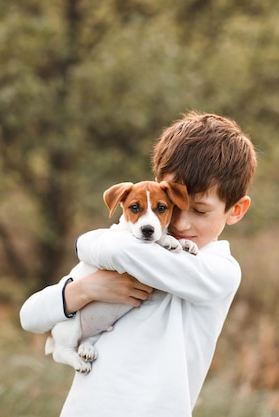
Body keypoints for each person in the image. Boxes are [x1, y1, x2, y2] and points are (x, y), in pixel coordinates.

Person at [20, 111, 257, 417]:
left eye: (199, 210)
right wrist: (86, 289)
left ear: (236, 210)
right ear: (158, 188)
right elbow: (30, 317)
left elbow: (112, 249)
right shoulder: (138, 247)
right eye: (171, 205)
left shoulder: (218, 271)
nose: (180, 222)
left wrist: (84, 244)